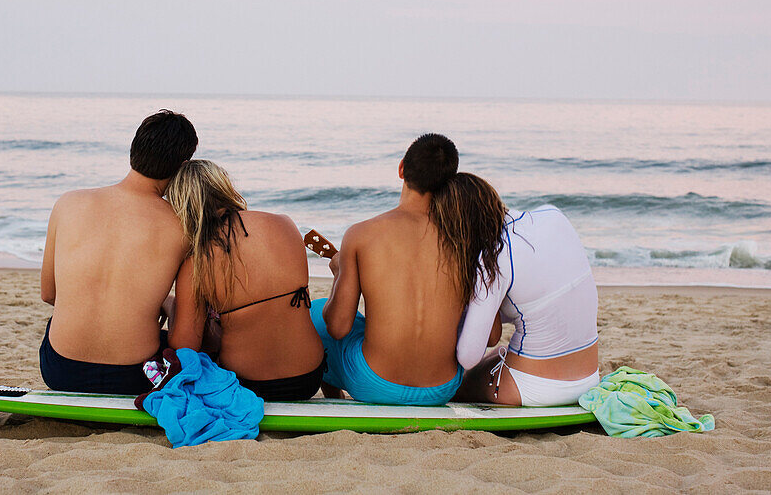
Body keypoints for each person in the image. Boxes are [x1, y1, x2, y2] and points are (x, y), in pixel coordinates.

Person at [39, 110, 198, 394]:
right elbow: (185, 330)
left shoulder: (68, 204)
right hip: (135, 376)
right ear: (183, 166)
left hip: (61, 370)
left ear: (133, 150)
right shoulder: (184, 226)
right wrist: (165, 303)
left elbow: (49, 295)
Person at [312, 133, 467, 405]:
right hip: (444, 388)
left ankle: (333, 398)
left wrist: (339, 275)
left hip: (376, 385)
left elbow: (338, 327)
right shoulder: (463, 239)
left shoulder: (362, 234)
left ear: (401, 169)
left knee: (317, 313)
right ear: (450, 180)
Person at [167, 160, 325, 401]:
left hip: (248, 384)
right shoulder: (284, 224)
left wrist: (170, 306)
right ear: (224, 187)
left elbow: (185, 346)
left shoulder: (197, 262)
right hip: (308, 379)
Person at [452, 173, 600, 406]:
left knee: (457, 383)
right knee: (496, 353)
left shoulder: (492, 259)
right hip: (588, 379)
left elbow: (468, 357)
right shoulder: (553, 215)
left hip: (535, 388)